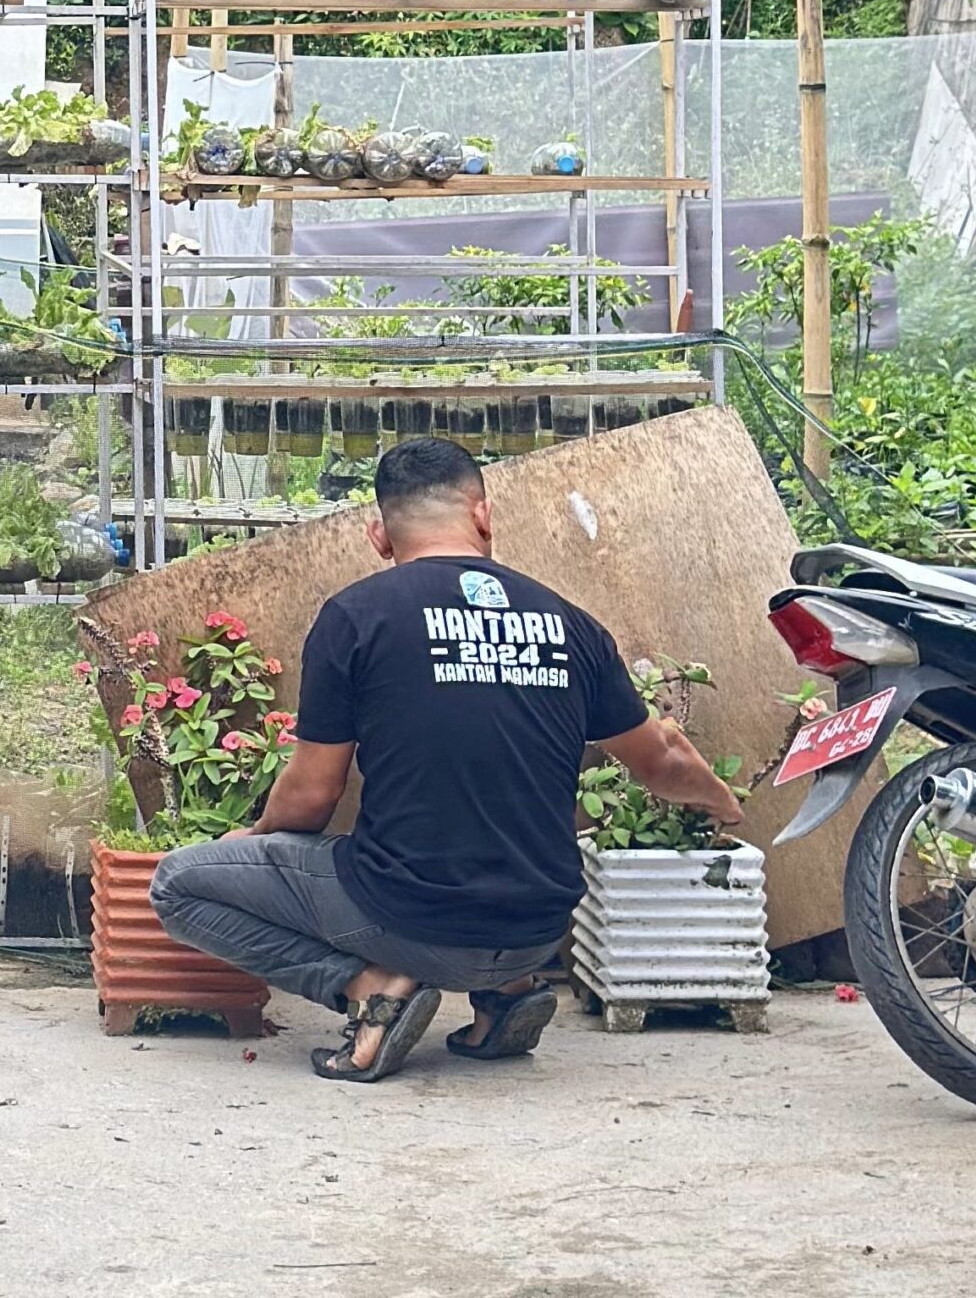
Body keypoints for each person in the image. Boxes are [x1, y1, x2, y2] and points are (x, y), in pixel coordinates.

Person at [150, 438, 744, 1084]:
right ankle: (505, 995)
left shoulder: (355, 619)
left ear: (379, 535)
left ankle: (370, 988)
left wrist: (257, 834)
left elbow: (314, 796)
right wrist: (721, 802)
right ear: (484, 515)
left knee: (176, 886)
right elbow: (661, 761)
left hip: (412, 924)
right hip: (541, 929)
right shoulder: (570, 625)